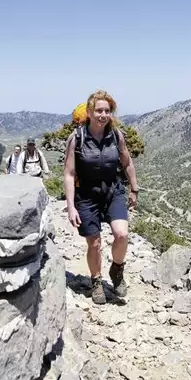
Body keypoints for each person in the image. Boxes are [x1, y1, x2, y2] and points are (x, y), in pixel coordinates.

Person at [64, 90, 140, 305]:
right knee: (94, 243)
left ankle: (117, 269)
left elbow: (126, 163)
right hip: (87, 196)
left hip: (113, 191)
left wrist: (134, 188)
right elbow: (69, 174)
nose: (103, 115)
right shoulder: (77, 138)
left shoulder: (116, 135)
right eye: (99, 110)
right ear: (89, 112)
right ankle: (96, 281)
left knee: (121, 234)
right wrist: (71, 206)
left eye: (107, 111)